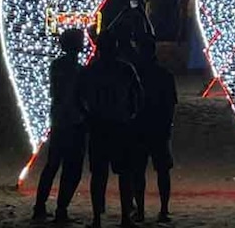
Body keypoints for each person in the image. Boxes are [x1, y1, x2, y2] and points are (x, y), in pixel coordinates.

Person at [76, 22, 142, 227]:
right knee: (124, 174)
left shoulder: (91, 70)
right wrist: (132, 114)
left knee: (99, 174)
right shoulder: (125, 69)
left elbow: (78, 96)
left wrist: (87, 115)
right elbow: (138, 94)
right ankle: (125, 217)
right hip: (120, 124)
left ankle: (97, 218)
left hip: (99, 125)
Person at [33, 28, 88, 223]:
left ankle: (40, 206)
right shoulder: (79, 70)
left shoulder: (57, 66)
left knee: (53, 165)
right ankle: (61, 209)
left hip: (59, 121)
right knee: (71, 169)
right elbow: (79, 97)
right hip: (74, 122)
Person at [128, 33, 177, 223]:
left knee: (138, 171)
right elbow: (170, 104)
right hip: (157, 127)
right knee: (162, 171)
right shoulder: (164, 75)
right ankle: (163, 210)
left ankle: (141, 210)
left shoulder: (135, 73)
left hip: (140, 127)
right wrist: (167, 125)